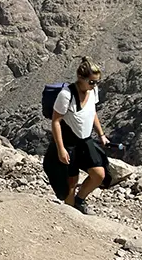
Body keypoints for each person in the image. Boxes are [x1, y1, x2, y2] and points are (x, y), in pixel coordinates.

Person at [43, 56, 112, 215]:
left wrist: (101, 134)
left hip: (85, 140)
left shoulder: (92, 91)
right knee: (71, 181)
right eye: (92, 82)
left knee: (99, 174)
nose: (95, 85)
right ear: (81, 78)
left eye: (97, 82)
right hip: (69, 143)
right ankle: (70, 214)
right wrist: (60, 149)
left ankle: (80, 200)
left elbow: (92, 112)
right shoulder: (66, 95)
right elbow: (56, 122)